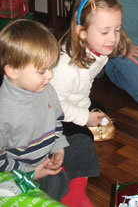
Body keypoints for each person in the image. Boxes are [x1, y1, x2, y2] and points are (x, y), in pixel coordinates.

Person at [0, 19, 99, 207]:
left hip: (49, 154)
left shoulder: (47, 90)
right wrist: (31, 172)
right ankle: (65, 188)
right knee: (48, 183)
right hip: (24, 170)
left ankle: (76, 194)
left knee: (82, 142)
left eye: (51, 68)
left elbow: (56, 123)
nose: (50, 76)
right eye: (42, 71)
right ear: (12, 70)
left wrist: (59, 149)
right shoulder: (3, 111)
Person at [50, 0, 130, 138]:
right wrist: (85, 117)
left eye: (117, 30)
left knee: (99, 108)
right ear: (82, 32)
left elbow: (85, 84)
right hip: (50, 111)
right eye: (105, 32)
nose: (113, 38)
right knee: (83, 138)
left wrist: (84, 108)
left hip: (72, 100)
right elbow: (52, 105)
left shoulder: (98, 50)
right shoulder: (65, 67)